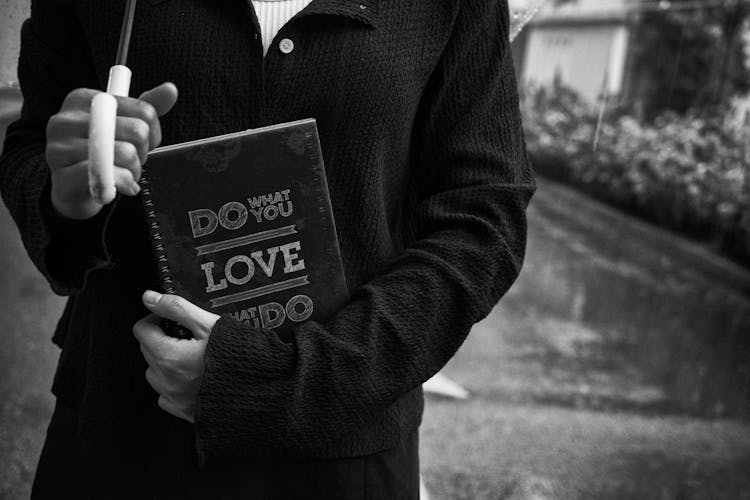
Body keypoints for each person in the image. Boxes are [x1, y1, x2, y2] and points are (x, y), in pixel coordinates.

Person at [0, 0, 535, 497]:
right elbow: (29, 151)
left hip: (345, 450)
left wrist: (287, 383)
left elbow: (483, 216)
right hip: (124, 428)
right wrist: (64, 191)